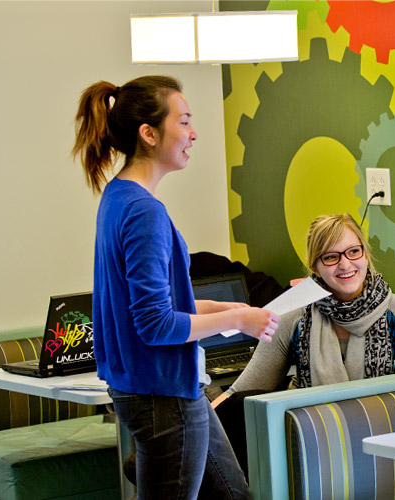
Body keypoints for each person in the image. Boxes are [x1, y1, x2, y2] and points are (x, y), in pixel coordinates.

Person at [73, 75, 279, 499]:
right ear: (148, 134)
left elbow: (166, 305)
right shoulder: (143, 212)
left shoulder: (118, 197)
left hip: (158, 389)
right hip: (163, 396)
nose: (194, 133)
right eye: (184, 122)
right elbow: (155, 324)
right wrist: (239, 317)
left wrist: (237, 315)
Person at [211, 213, 395, 404]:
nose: (345, 264)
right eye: (331, 257)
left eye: (353, 251)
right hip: (313, 439)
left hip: (391, 438)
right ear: (315, 266)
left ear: (366, 254)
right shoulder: (293, 321)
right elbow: (240, 393)